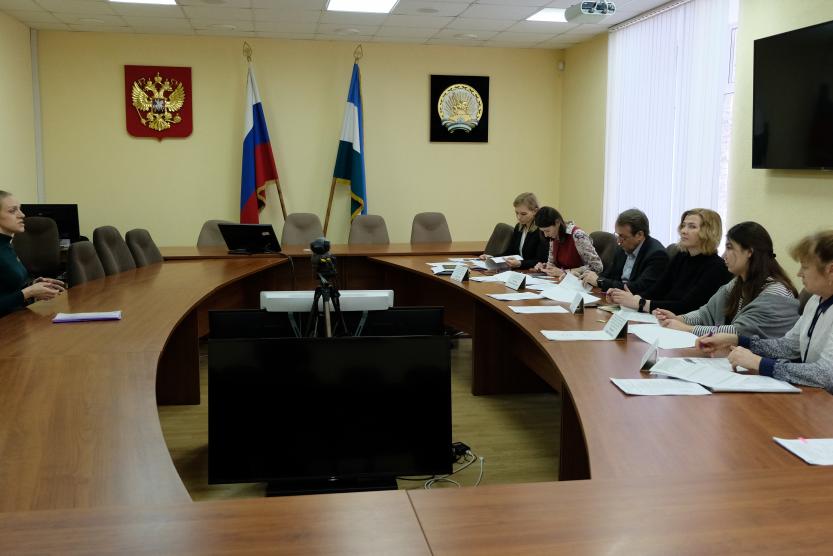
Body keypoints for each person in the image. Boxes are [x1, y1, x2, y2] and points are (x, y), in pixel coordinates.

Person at [698, 230, 833, 392]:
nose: (799, 273)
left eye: (805, 267)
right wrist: (736, 340)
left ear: (830, 270)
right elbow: (789, 346)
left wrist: (759, 363)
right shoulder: (816, 300)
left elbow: (826, 374)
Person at [655, 221, 799, 338]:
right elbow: (706, 313)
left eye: (730, 248)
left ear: (749, 252)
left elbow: (738, 332)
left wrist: (687, 328)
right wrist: (680, 319)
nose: (724, 255)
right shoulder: (738, 282)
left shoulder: (776, 292)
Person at [607, 208, 731, 314]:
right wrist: (629, 298)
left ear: (709, 232)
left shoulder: (717, 267)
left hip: (686, 326)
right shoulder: (681, 256)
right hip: (663, 318)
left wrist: (640, 302)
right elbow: (658, 289)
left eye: (692, 226)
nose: (683, 231)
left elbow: (687, 306)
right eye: (683, 225)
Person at [0, 190, 65, 317]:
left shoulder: (6, 245)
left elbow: (7, 289)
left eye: (20, 209)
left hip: (17, 320)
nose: (22, 215)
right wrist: (28, 293)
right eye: (12, 211)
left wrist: (34, 287)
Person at [581, 208, 668, 294]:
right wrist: (589, 277)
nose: (618, 241)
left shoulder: (657, 255)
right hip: (615, 297)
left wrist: (600, 281)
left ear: (639, 235)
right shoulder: (623, 247)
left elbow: (637, 288)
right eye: (618, 235)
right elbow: (608, 275)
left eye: (622, 236)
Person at [532, 206, 602, 279]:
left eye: (547, 231)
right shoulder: (553, 237)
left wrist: (565, 272)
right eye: (543, 231)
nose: (545, 235)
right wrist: (545, 267)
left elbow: (597, 266)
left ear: (557, 222)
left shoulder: (578, 235)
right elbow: (552, 264)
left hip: (580, 281)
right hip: (562, 280)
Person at [480, 192, 544, 269]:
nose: (519, 217)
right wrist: (493, 257)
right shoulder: (519, 227)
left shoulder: (542, 231)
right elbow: (511, 251)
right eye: (516, 213)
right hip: (519, 270)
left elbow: (541, 260)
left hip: (531, 271)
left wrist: (520, 263)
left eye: (523, 214)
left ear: (535, 211)